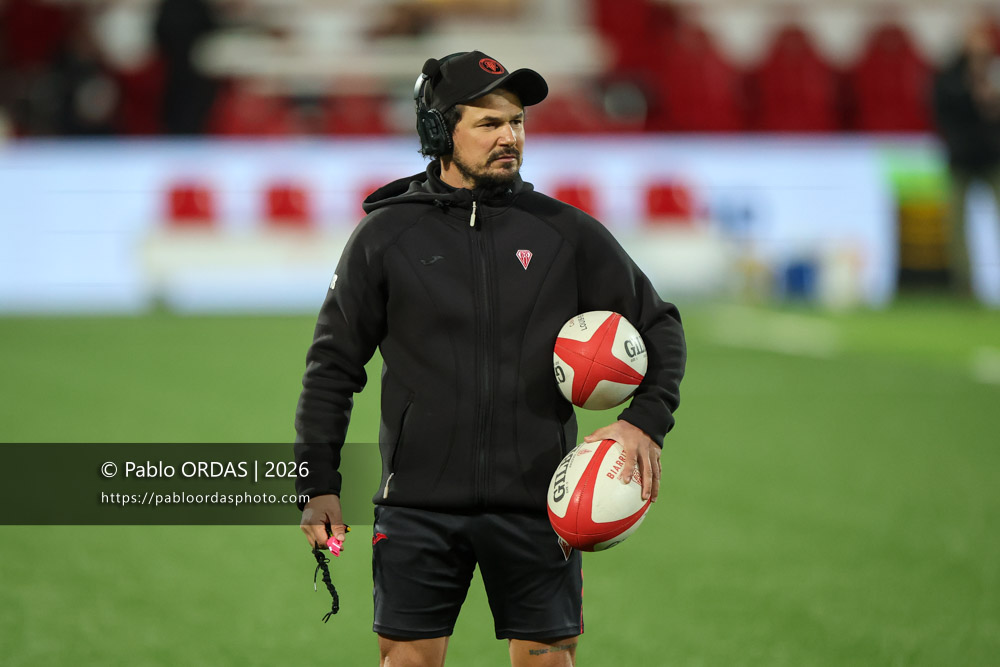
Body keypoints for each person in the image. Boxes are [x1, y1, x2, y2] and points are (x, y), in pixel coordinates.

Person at [294, 50, 686, 667]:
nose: (510, 137)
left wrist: (646, 420)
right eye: (488, 123)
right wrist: (316, 482)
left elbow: (660, 323)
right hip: (416, 506)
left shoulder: (566, 233)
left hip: (541, 506)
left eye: (517, 122)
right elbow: (332, 369)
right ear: (437, 131)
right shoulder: (385, 237)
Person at [932, 17, 1000, 296]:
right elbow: (940, 108)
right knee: (957, 228)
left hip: (994, 157)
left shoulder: (995, 72)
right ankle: (965, 287)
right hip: (961, 158)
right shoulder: (950, 76)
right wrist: (972, 92)